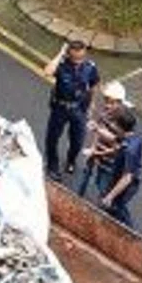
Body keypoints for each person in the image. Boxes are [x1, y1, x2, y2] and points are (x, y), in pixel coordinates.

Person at [40, 39, 100, 179]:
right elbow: (47, 72)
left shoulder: (90, 67)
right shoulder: (61, 65)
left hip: (79, 109)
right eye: (74, 58)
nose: (78, 61)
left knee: (77, 140)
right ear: (69, 54)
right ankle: (52, 165)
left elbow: (93, 85)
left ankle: (71, 160)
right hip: (60, 108)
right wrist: (61, 53)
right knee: (52, 139)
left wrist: (92, 104)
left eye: (81, 57)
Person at [97, 110, 142, 229]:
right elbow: (114, 139)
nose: (111, 125)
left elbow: (127, 178)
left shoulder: (129, 150)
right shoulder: (134, 138)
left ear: (121, 127)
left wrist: (110, 196)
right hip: (118, 177)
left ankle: (129, 233)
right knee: (114, 206)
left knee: (117, 208)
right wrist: (97, 129)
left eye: (114, 124)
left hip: (126, 184)